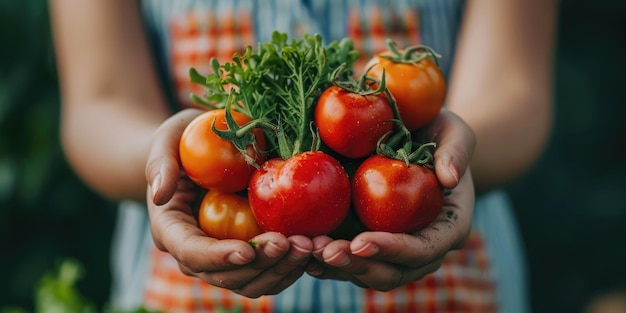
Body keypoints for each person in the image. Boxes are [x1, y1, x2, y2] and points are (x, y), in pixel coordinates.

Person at [49, 0, 558, 312]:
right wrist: (164, 159)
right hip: (190, 293)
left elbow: (515, 94)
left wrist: (450, 160)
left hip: (446, 283)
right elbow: (98, 105)